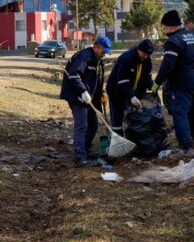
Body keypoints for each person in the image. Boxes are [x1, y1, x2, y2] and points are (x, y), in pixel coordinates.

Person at [152, 10, 194, 158]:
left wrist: (156, 83)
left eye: (164, 28)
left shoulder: (173, 42)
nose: (164, 31)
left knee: (179, 113)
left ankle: (186, 147)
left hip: (183, 84)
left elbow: (167, 65)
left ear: (169, 27)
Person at [60, 36, 112, 166]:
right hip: (76, 96)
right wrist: (83, 91)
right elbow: (74, 75)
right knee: (82, 126)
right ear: (96, 47)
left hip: (89, 97)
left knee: (93, 125)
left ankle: (85, 149)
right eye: (103, 50)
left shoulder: (98, 61)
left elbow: (96, 80)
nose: (104, 53)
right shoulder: (84, 57)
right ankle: (80, 157)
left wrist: (101, 94)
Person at [105, 39, 155, 136]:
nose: (146, 56)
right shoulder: (126, 59)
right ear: (138, 50)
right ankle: (118, 140)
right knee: (117, 116)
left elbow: (146, 77)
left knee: (134, 116)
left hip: (132, 91)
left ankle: (133, 139)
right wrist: (131, 97)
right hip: (117, 91)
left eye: (148, 54)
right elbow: (122, 81)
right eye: (144, 53)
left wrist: (153, 86)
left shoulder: (147, 60)